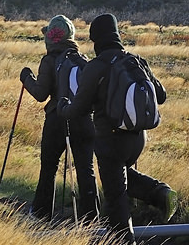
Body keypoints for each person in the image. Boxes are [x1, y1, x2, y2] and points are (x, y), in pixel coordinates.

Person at [59, 13, 177, 242]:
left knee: (116, 204)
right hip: (137, 139)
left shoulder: (97, 66)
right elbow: (160, 96)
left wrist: (63, 107)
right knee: (119, 178)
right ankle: (160, 193)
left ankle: (126, 239)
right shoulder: (136, 60)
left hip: (110, 140)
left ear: (97, 40)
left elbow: (79, 108)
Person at [20, 15, 98, 221]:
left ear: (51, 39)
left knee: (49, 166)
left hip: (57, 119)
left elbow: (40, 94)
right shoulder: (82, 61)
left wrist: (26, 78)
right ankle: (92, 218)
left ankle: (41, 213)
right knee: (85, 168)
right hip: (83, 119)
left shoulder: (49, 60)